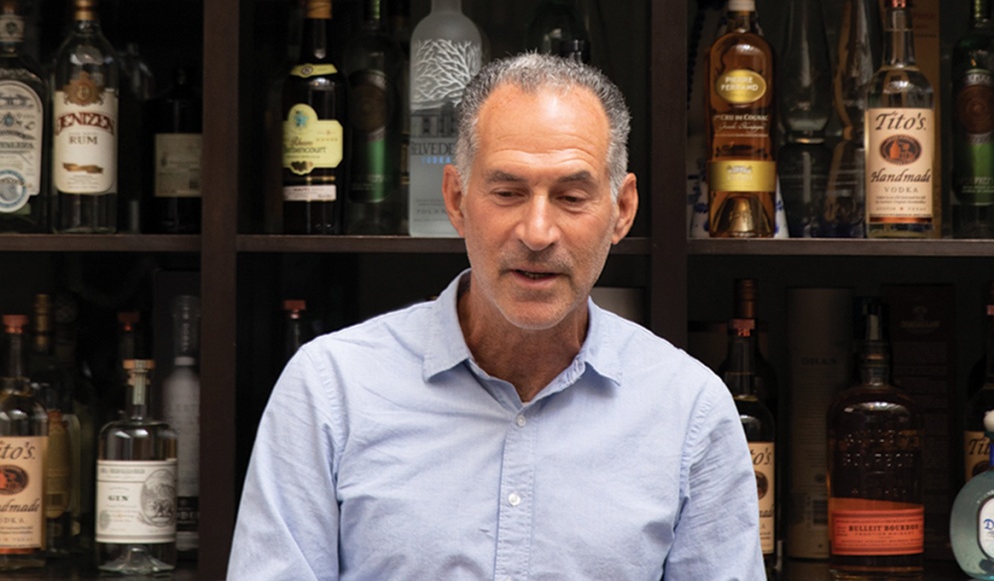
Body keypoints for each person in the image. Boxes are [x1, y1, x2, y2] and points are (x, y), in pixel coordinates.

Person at [227, 53, 765, 580]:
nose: (537, 232)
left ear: (622, 211)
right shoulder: (329, 389)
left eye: (572, 197)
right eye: (508, 192)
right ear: (457, 199)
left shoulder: (690, 410)